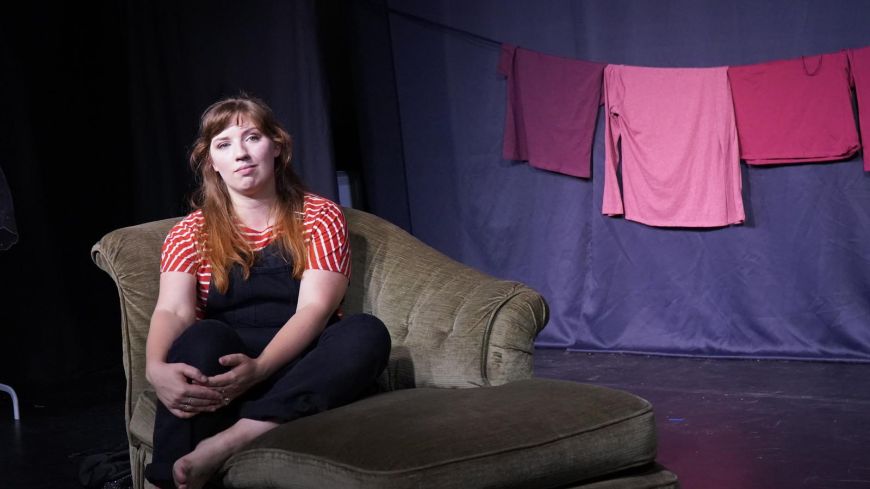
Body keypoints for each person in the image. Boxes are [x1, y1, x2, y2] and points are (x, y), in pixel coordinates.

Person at [143, 94, 391, 489]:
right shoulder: (190, 231)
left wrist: (259, 369)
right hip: (226, 366)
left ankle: (236, 436)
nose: (240, 154)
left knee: (366, 333)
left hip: (299, 363)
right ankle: (166, 480)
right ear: (212, 163)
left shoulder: (318, 216)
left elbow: (314, 309)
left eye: (252, 138)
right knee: (200, 337)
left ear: (277, 146)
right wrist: (155, 369)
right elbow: (173, 312)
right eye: (224, 145)